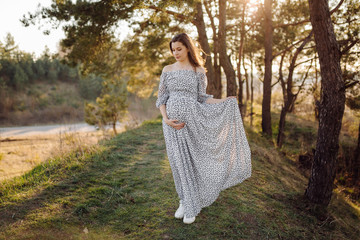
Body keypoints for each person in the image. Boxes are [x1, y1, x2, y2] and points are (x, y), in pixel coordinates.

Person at [156, 33, 252, 224]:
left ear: (188, 48)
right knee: (177, 163)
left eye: (179, 49)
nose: (175, 53)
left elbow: (202, 98)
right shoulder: (167, 70)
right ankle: (184, 201)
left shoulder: (198, 71)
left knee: (192, 162)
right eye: (173, 50)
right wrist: (166, 119)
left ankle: (192, 204)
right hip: (171, 126)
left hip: (193, 122)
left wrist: (224, 101)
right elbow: (161, 98)